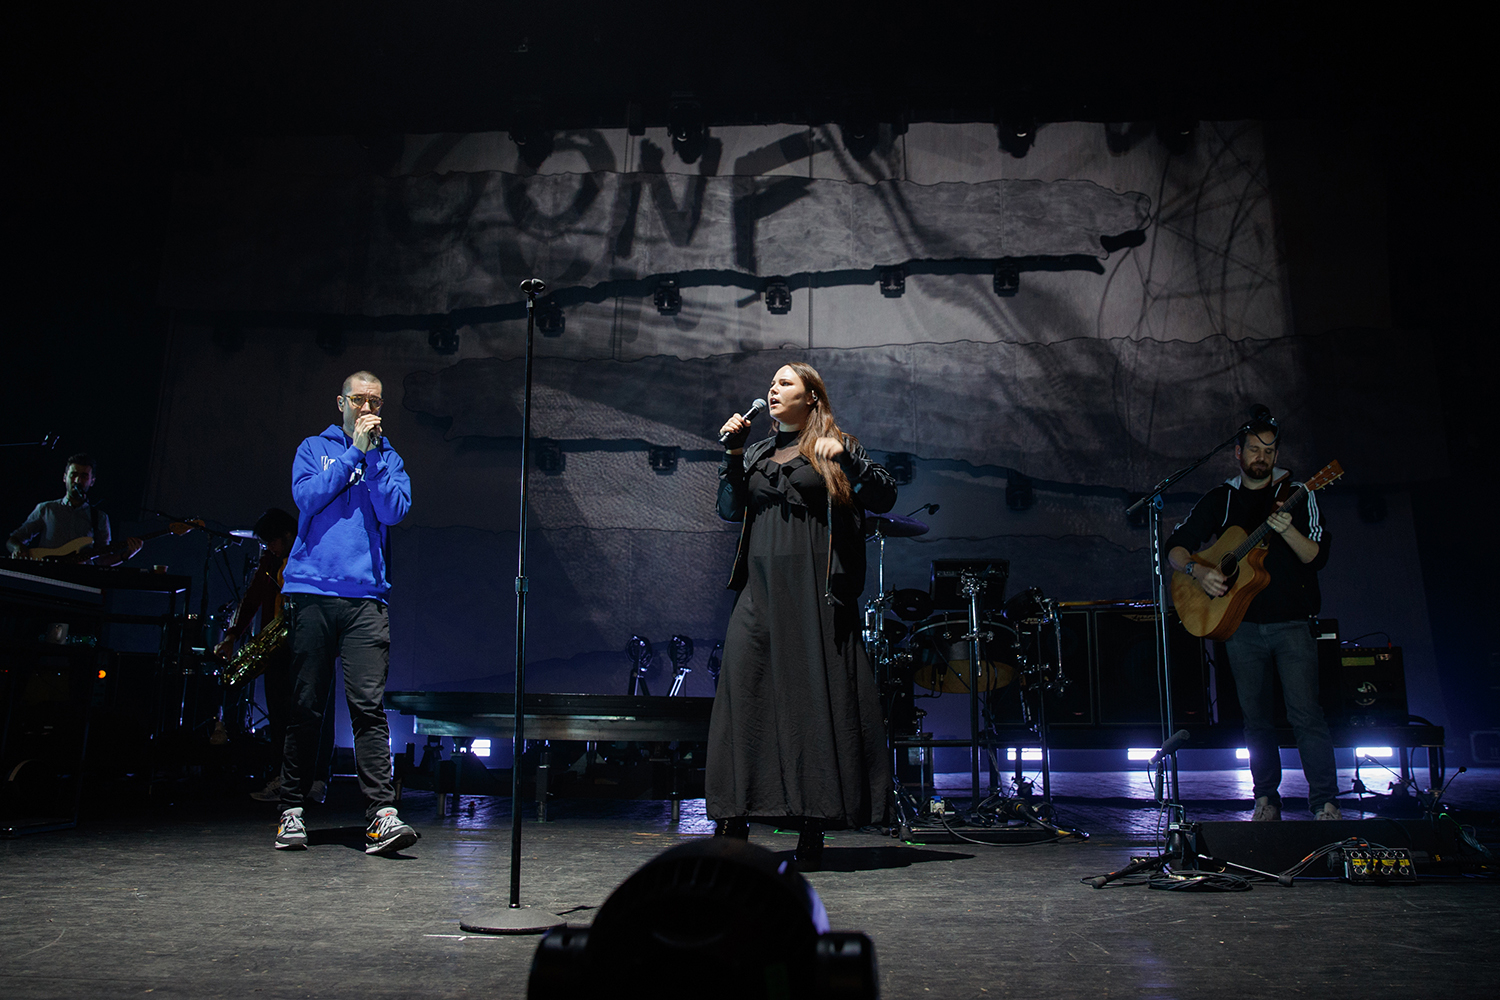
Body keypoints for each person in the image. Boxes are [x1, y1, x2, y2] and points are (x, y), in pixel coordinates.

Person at [708, 362, 897, 869]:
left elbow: (884, 493)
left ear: (812, 396)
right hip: (760, 589)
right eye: (771, 384)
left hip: (816, 589)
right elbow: (729, 509)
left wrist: (849, 464)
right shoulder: (757, 453)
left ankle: (812, 825)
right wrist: (730, 454)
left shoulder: (836, 443)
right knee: (743, 696)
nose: (773, 390)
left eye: (785, 383)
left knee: (811, 701)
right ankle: (734, 820)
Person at [1165, 414, 1339, 821]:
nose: (1262, 457)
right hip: (1240, 627)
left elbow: (1316, 556)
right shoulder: (1221, 499)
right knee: (1255, 721)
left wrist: (1287, 530)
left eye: (1270, 450)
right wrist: (1199, 571)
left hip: (1293, 623)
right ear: (1239, 453)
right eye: (1255, 450)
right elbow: (1177, 547)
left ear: (1277, 453)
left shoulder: (1298, 492)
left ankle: (1325, 803)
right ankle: (1266, 799)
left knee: (1306, 716)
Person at [274, 371, 417, 855]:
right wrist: (353, 452)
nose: (367, 407)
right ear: (341, 402)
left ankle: (381, 815)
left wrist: (372, 457)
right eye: (359, 399)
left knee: (367, 708)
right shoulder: (314, 448)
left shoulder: (389, 457)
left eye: (376, 400)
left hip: (366, 599)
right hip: (313, 591)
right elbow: (307, 498)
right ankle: (291, 811)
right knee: (306, 706)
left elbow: (394, 511)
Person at [215, 508, 335, 804]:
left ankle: (317, 779)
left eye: (273, 542)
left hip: (311, 644)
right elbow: (254, 595)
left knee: (315, 713)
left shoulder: (314, 551)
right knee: (280, 714)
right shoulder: (270, 560)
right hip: (277, 644)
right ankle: (282, 778)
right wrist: (233, 635)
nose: (270, 548)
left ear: (288, 536)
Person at [7, 453, 142, 565]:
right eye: (73, 475)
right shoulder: (46, 508)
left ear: (92, 481)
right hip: (47, 575)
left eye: (84, 476)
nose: (78, 480)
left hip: (79, 580)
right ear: (65, 478)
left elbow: (102, 559)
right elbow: (14, 540)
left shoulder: (100, 518)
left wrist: (126, 555)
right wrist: (19, 549)